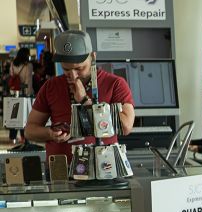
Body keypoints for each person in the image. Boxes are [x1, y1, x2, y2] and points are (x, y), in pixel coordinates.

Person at [24, 30, 135, 165]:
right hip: (60, 169)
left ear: (93, 57)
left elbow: (126, 126)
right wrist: (50, 134)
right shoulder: (51, 86)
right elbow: (30, 130)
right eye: (66, 69)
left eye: (79, 68)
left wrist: (85, 101)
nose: (73, 75)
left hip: (103, 168)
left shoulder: (115, 84)